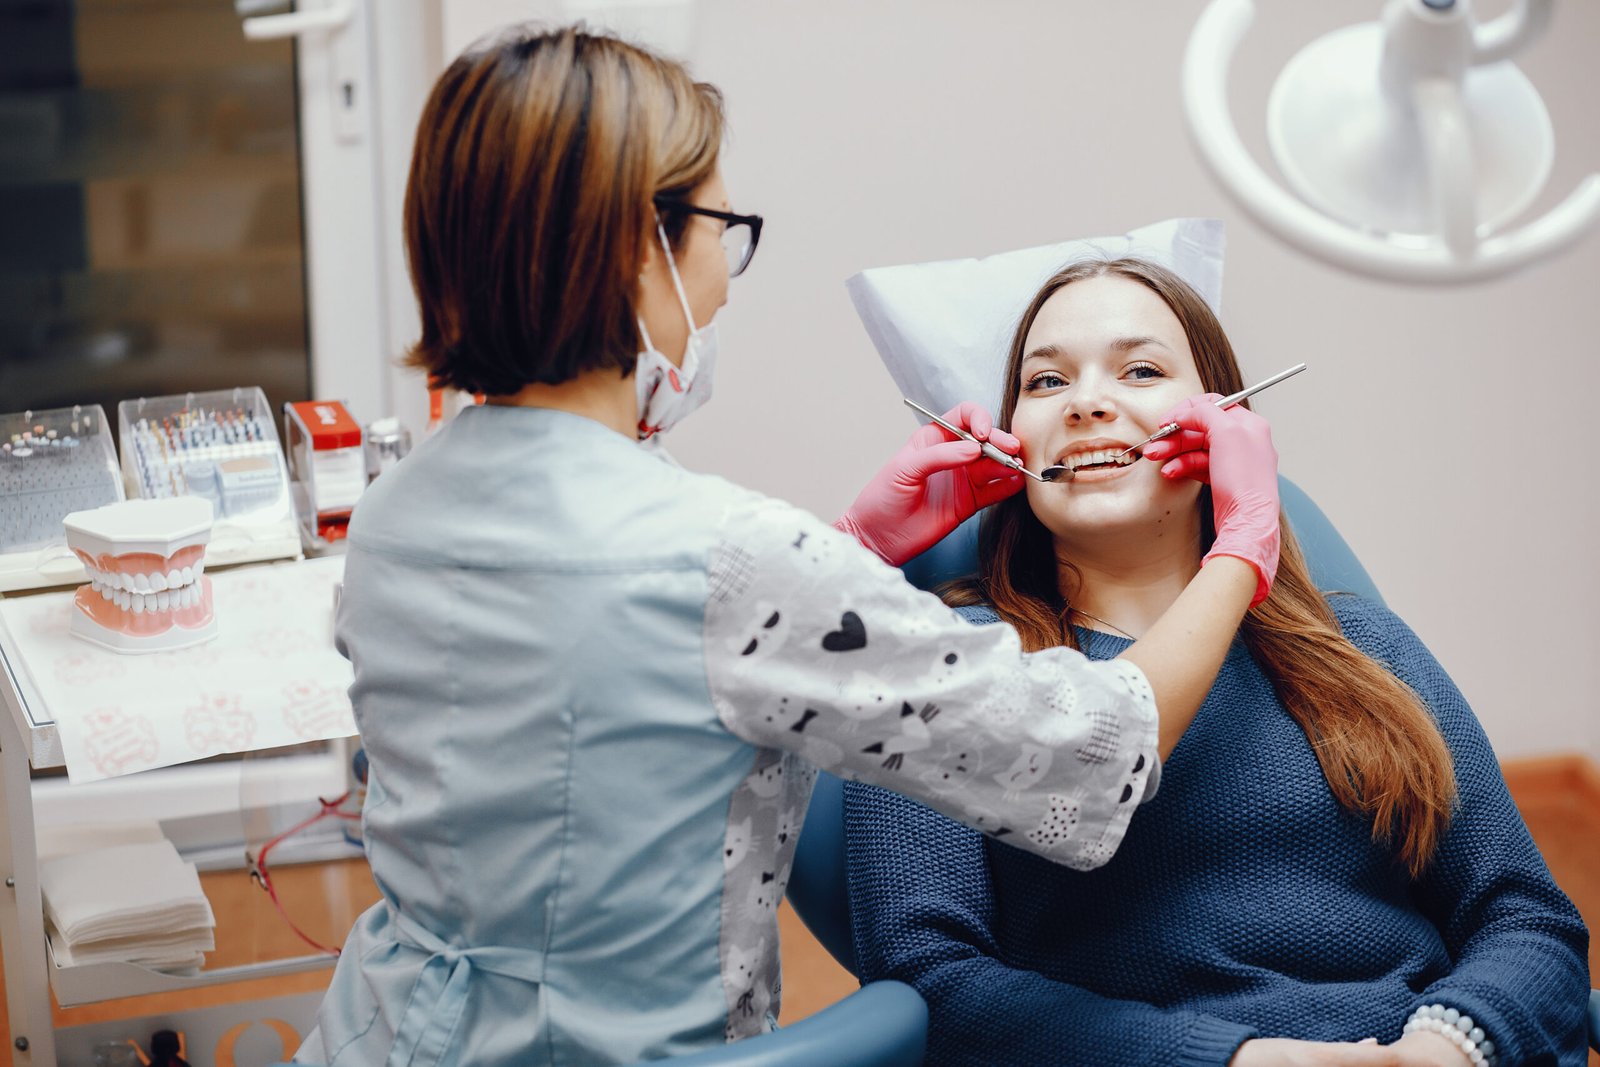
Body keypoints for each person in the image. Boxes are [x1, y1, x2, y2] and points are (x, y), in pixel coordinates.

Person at [294, 28, 1285, 1067]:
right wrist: (1243, 547)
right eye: (723, 227)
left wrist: (847, 550)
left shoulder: (394, 512)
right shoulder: (731, 556)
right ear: (643, 249)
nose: (725, 276)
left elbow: (619, 673)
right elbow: (1085, 754)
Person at [843, 257, 1592, 1067]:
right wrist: (1234, 1060)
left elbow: (1526, 919)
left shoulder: (1365, 648)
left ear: (1226, 414)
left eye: (1141, 368)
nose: (1090, 401)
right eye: (1046, 380)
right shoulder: (936, 669)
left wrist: (1445, 1045)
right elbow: (934, 983)